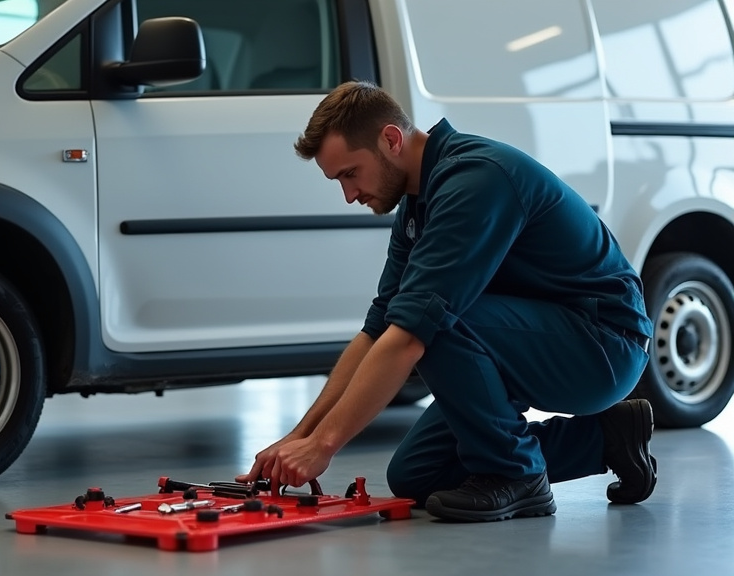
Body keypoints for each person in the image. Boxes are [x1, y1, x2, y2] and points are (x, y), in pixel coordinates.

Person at [236, 81, 657, 522]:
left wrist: (324, 447)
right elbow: (376, 332)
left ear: (391, 140)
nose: (349, 195)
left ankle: (518, 477)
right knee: (417, 475)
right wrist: (299, 436)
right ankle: (609, 438)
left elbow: (407, 337)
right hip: (542, 340)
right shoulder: (418, 205)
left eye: (350, 173)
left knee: (432, 321)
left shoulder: (476, 180)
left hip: (603, 344)